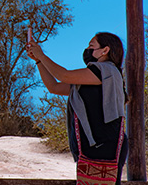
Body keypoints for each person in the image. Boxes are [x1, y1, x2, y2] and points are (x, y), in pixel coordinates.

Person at [26, 32, 128, 184]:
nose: (87, 50)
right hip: (96, 145)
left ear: (104, 50)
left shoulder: (106, 70)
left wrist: (42, 55)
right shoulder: (92, 78)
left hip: (106, 144)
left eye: (91, 46)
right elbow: (54, 87)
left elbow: (64, 76)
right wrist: (39, 62)